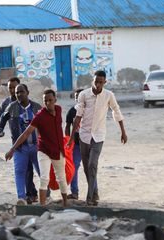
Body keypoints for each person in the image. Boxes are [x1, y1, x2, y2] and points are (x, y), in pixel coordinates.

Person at [67, 70, 128, 206]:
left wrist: (123, 131)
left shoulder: (108, 95)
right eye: (96, 82)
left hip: (99, 135)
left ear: (104, 82)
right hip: (84, 135)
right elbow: (78, 117)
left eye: (101, 82)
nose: (98, 84)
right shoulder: (84, 95)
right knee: (86, 168)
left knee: (92, 165)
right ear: (92, 81)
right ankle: (95, 193)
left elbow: (116, 111)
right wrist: (71, 138)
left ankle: (89, 199)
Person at [5, 89, 69, 207]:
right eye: (46, 101)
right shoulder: (39, 116)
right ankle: (42, 205)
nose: (48, 103)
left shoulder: (59, 110)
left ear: (55, 99)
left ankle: (66, 203)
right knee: (44, 178)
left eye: (50, 100)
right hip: (43, 151)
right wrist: (12, 149)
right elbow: (26, 133)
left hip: (58, 150)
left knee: (61, 178)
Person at [0, 79, 39, 205]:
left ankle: (33, 194)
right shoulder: (9, 104)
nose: (13, 91)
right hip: (18, 144)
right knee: (21, 170)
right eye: (11, 89)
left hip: (34, 144)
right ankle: (24, 197)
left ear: (26, 92)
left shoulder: (34, 106)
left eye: (15, 89)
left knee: (34, 171)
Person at [0, 84, 42, 205]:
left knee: (42, 172)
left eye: (21, 92)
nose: (18, 94)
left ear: (28, 92)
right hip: (20, 148)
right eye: (17, 93)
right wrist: (0, 128)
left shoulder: (37, 107)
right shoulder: (12, 107)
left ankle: (46, 196)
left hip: (36, 146)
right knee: (19, 171)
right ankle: (21, 198)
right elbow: (3, 117)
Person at [64, 88, 83, 200]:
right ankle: (74, 192)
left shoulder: (90, 110)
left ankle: (93, 193)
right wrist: (67, 141)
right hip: (75, 145)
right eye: (76, 96)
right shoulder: (72, 111)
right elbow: (67, 127)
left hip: (89, 144)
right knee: (74, 168)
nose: (78, 98)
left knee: (90, 168)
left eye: (80, 96)